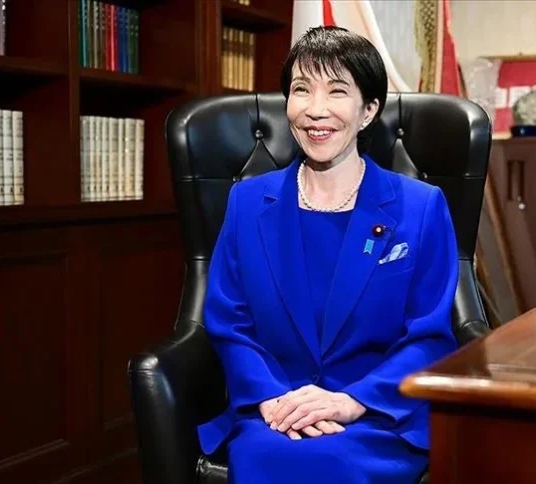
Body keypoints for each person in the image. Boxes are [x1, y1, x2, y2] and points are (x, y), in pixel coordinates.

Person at [197, 26, 459, 483]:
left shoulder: (421, 207)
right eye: (302, 90)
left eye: (337, 91)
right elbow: (228, 321)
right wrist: (272, 400)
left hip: (378, 415)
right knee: (268, 458)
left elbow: (429, 336)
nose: (316, 110)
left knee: (337, 463)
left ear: (368, 110)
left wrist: (352, 401)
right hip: (276, 413)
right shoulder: (247, 203)